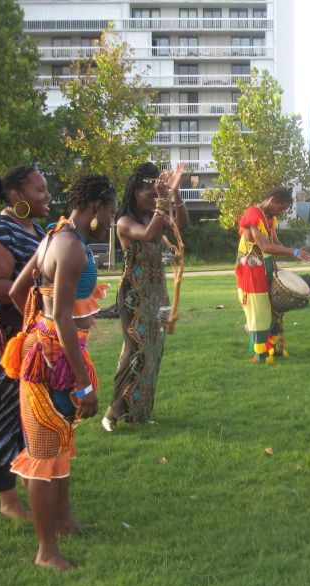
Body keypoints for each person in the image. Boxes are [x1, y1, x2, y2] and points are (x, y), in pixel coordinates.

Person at [4, 174, 117, 571]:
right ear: (97, 206)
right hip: (52, 363)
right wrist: (83, 381)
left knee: (61, 440)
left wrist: (37, 327)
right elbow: (65, 316)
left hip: (52, 353)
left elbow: (20, 291)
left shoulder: (55, 235)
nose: (110, 220)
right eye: (110, 211)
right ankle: (46, 552)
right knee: (44, 453)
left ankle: (64, 523)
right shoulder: (69, 247)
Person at [102, 162, 189, 431]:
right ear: (134, 194)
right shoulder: (125, 221)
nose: (154, 198)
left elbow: (184, 222)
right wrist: (163, 198)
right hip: (134, 297)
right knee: (136, 349)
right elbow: (150, 235)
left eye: (156, 194)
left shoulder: (157, 215)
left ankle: (139, 413)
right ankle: (113, 411)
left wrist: (174, 192)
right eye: (149, 194)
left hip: (158, 294)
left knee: (153, 352)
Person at [0, 166, 49, 519]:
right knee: (4, 416)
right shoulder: (0, 230)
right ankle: (7, 499)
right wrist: (38, 295)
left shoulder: (36, 229)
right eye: (39, 189)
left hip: (30, 334)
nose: (46, 195)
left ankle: (26, 484)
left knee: (25, 416)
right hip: (5, 341)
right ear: (17, 195)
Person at [236, 186, 310, 363]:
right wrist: (293, 251)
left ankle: (277, 349)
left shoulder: (269, 219)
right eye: (281, 208)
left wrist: (295, 252)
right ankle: (261, 355)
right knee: (260, 313)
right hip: (251, 273)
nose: (281, 212)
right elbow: (265, 247)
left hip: (266, 269)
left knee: (275, 312)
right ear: (272, 200)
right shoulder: (253, 215)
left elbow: (275, 243)